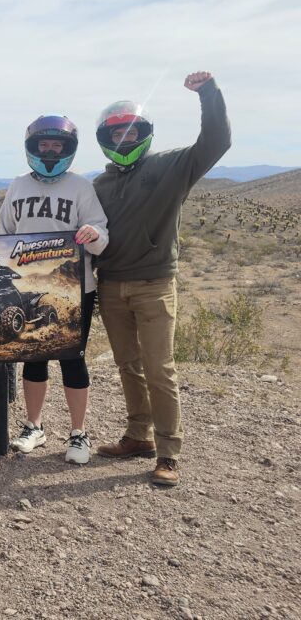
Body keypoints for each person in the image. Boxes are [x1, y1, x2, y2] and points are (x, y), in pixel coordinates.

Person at [93, 72, 231, 486]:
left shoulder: (171, 166)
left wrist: (208, 94)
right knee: (127, 365)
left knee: (159, 368)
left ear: (146, 133)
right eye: (117, 134)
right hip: (111, 284)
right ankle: (139, 435)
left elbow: (217, 142)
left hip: (154, 284)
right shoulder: (98, 183)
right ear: (105, 138)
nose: (125, 139)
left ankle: (169, 453)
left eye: (133, 132)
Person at [0, 115, 109, 465]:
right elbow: (4, 234)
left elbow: (102, 237)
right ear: (32, 148)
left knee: (72, 359)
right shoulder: (17, 185)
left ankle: (79, 433)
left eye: (55, 145)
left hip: (75, 287)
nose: (49, 151)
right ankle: (34, 426)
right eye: (43, 145)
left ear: (67, 149)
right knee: (34, 355)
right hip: (29, 286)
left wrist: (93, 234)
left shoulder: (81, 187)